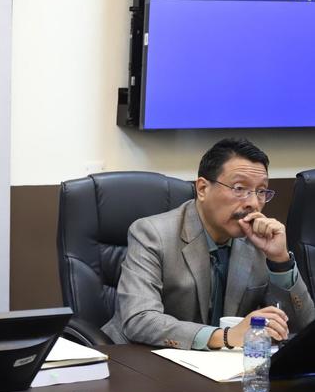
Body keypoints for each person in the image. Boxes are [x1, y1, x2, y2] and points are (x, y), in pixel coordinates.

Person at [103, 138, 315, 349]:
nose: (253, 203)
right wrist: (224, 337)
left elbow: (304, 328)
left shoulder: (260, 240)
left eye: (261, 191)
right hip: (143, 359)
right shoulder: (152, 234)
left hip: (223, 370)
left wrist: (280, 261)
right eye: (239, 188)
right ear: (202, 189)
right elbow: (140, 319)